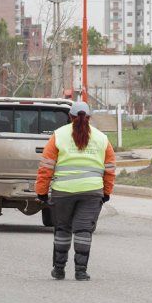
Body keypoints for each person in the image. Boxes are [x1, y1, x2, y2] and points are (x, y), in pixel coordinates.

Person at [35, 101, 116, 281]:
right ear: (89, 118)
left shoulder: (58, 135)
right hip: (92, 192)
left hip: (62, 192)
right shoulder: (102, 138)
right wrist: (106, 192)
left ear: (70, 117)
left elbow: (46, 167)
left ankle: (59, 269)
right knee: (83, 231)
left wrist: (41, 191)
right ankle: (81, 271)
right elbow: (109, 168)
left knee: (62, 229)